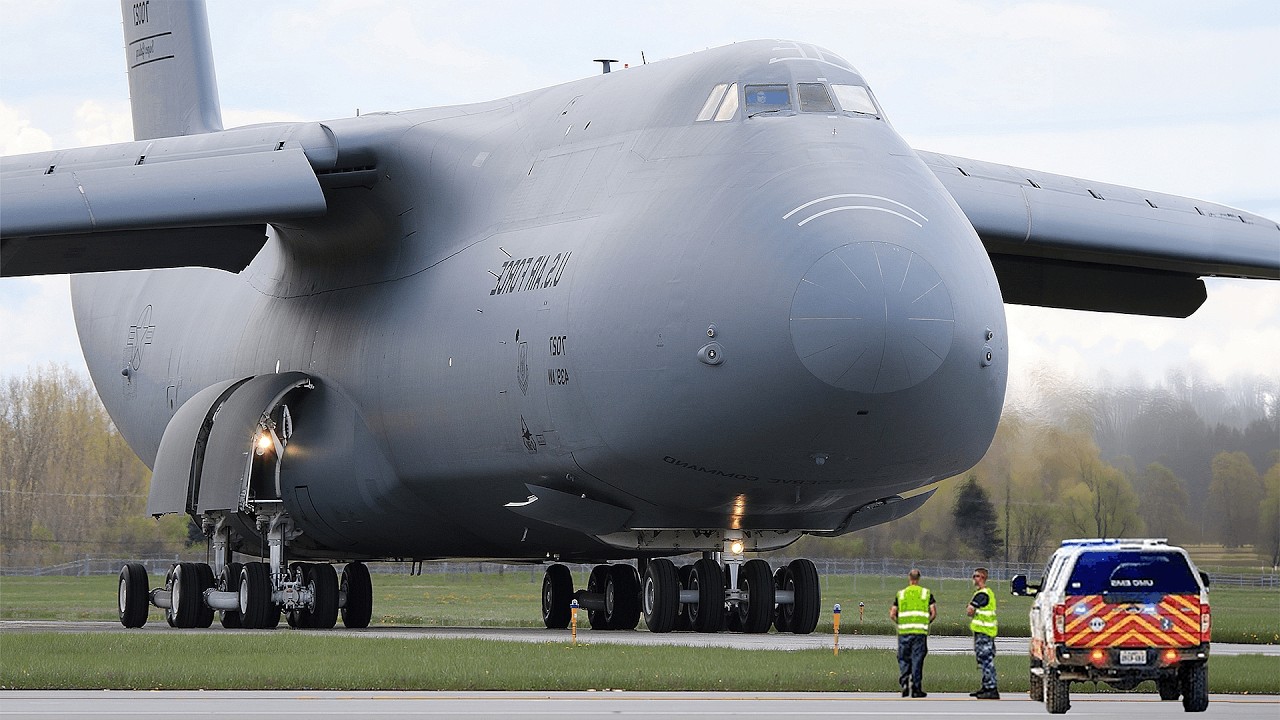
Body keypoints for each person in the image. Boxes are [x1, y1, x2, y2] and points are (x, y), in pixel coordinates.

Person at [889, 568, 936, 698]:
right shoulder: (926, 593)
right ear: (919, 578)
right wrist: (926, 623)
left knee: (903, 657)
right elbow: (933, 612)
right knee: (917, 659)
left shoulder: (901, 594)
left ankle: (904, 681)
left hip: (904, 631)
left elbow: (892, 613)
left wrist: (900, 623)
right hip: (920, 632)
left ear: (909, 578)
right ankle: (916, 688)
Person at [966, 567, 1000, 699]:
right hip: (984, 632)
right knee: (983, 660)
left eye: (977, 576)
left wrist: (970, 609)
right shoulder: (982, 593)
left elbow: (970, 610)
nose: (974, 578)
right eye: (974, 576)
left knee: (986, 660)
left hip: (984, 632)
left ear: (983, 578)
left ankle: (991, 688)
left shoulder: (983, 594)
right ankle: (986, 686)